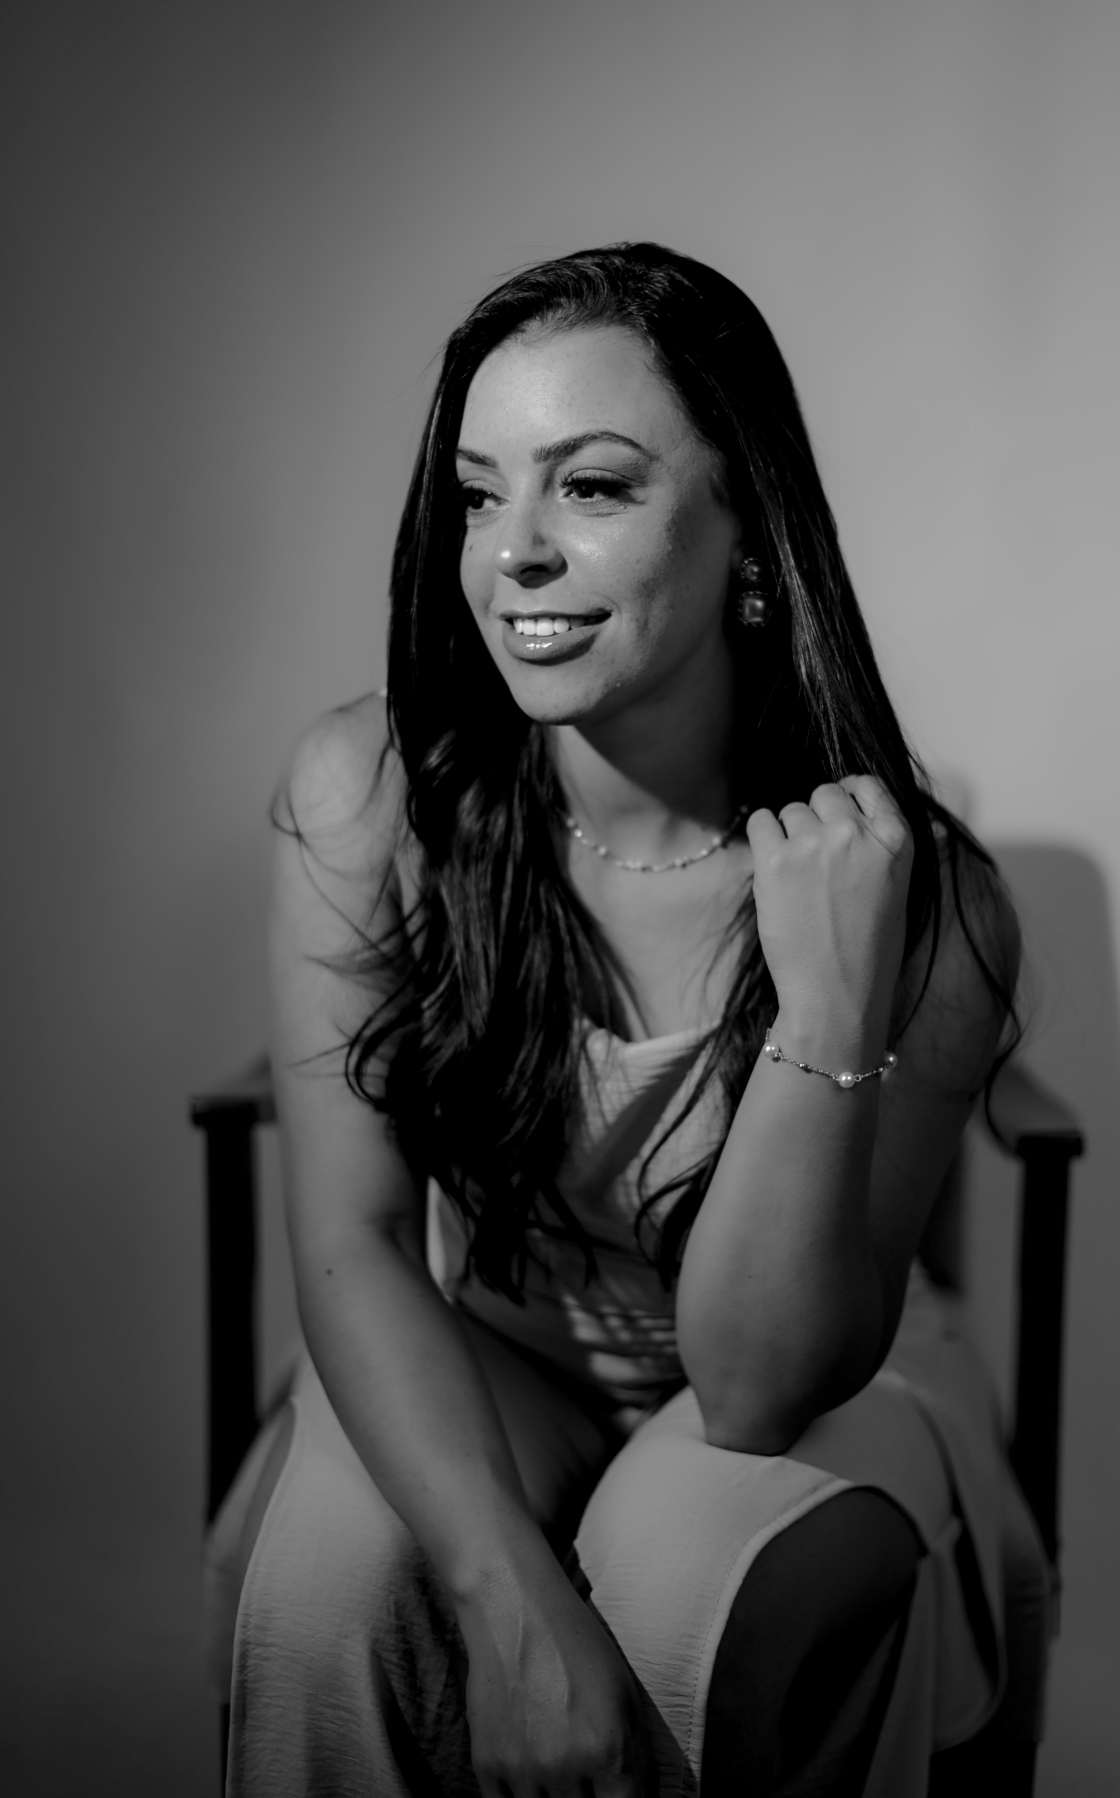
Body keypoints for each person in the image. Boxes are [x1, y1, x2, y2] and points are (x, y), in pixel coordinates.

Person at [220, 243, 1022, 1797]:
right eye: (477, 495)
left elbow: (760, 1383)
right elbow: (352, 1239)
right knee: (333, 1578)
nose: (511, 552)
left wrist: (826, 1004)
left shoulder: (921, 899)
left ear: (748, 536)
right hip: (510, 1344)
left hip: (816, 1386)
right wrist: (504, 1594)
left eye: (589, 485)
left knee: (674, 1582)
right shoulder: (370, 794)